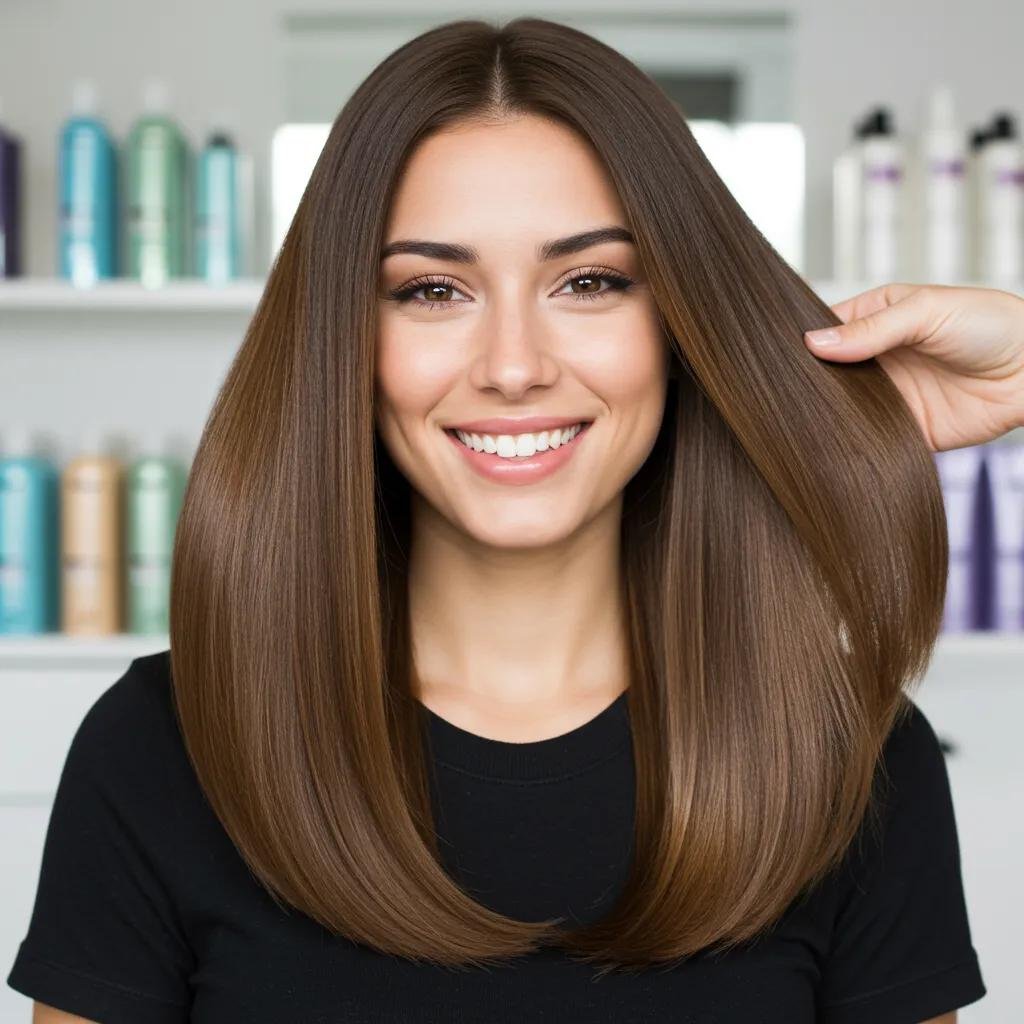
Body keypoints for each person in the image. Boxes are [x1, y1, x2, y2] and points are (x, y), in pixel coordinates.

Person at [8, 16, 1022, 1024]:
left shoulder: (847, 755)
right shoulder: (167, 747)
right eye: (433, 289)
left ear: (681, 327)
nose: (511, 364)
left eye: (589, 281)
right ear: (344, 348)